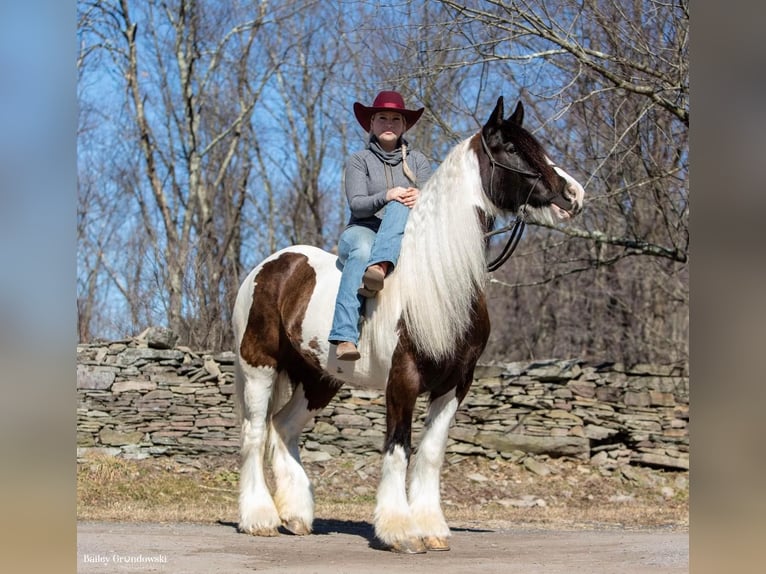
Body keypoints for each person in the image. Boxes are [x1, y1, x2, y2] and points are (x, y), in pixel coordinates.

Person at [328, 91, 432, 361]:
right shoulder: (359, 160)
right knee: (362, 249)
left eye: (396, 118)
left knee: (402, 205)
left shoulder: (418, 161)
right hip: (363, 231)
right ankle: (345, 336)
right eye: (382, 118)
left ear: (404, 125)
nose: (389, 123)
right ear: (371, 124)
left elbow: (433, 204)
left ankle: (380, 267)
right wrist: (387, 194)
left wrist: (423, 196)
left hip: (403, 236)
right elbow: (358, 205)